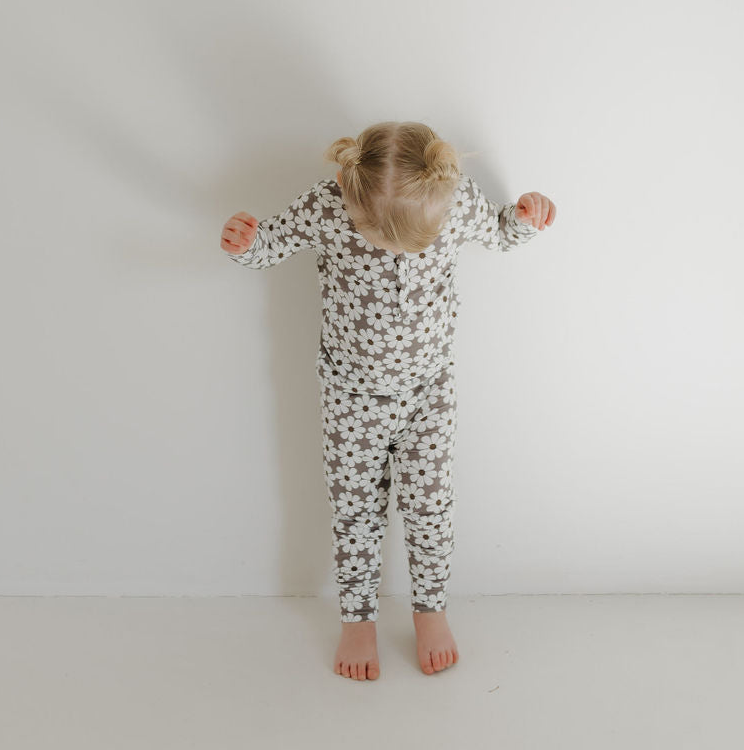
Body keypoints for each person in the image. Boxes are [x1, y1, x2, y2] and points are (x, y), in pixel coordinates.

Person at [220, 120, 556, 680]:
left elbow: (499, 234)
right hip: (352, 396)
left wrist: (525, 217)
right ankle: (357, 620)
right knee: (355, 511)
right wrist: (246, 243)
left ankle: (431, 610)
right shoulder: (331, 205)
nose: (388, 247)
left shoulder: (453, 199)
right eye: (377, 234)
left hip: (429, 392)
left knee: (431, 509)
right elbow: (272, 243)